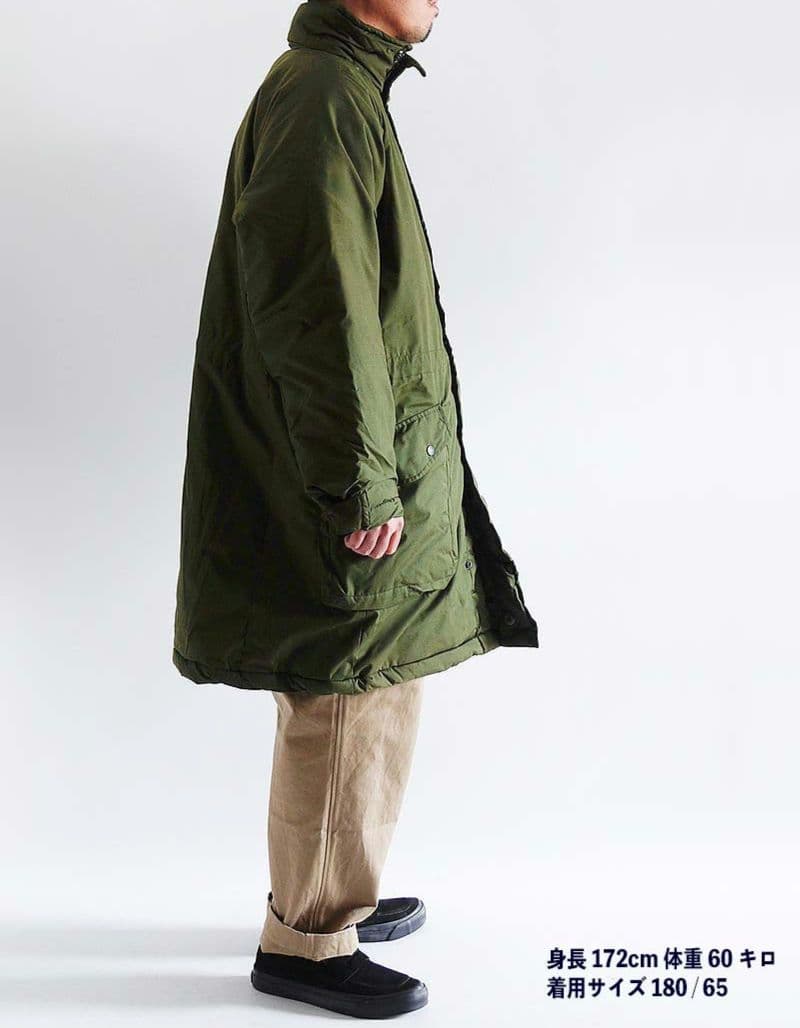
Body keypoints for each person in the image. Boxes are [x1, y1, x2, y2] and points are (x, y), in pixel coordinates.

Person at [171, 0, 538, 1017]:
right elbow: (318, 303)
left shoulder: (340, 88)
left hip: (371, 452)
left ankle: (337, 889)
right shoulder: (326, 94)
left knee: (372, 679)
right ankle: (308, 937)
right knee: (345, 685)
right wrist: (359, 480)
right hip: (349, 468)